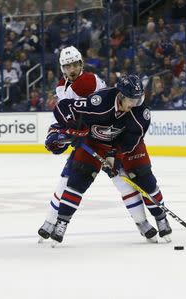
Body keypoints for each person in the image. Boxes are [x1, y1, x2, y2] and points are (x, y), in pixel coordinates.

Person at [38, 47, 161, 244]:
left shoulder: (89, 81)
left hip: (107, 136)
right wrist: (64, 133)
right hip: (89, 139)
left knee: (122, 180)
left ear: (81, 64)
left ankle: (142, 223)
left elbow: (96, 111)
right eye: (67, 65)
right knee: (68, 179)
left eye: (75, 64)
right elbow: (68, 117)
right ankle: (50, 222)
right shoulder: (62, 87)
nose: (72, 69)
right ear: (62, 68)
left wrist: (76, 133)